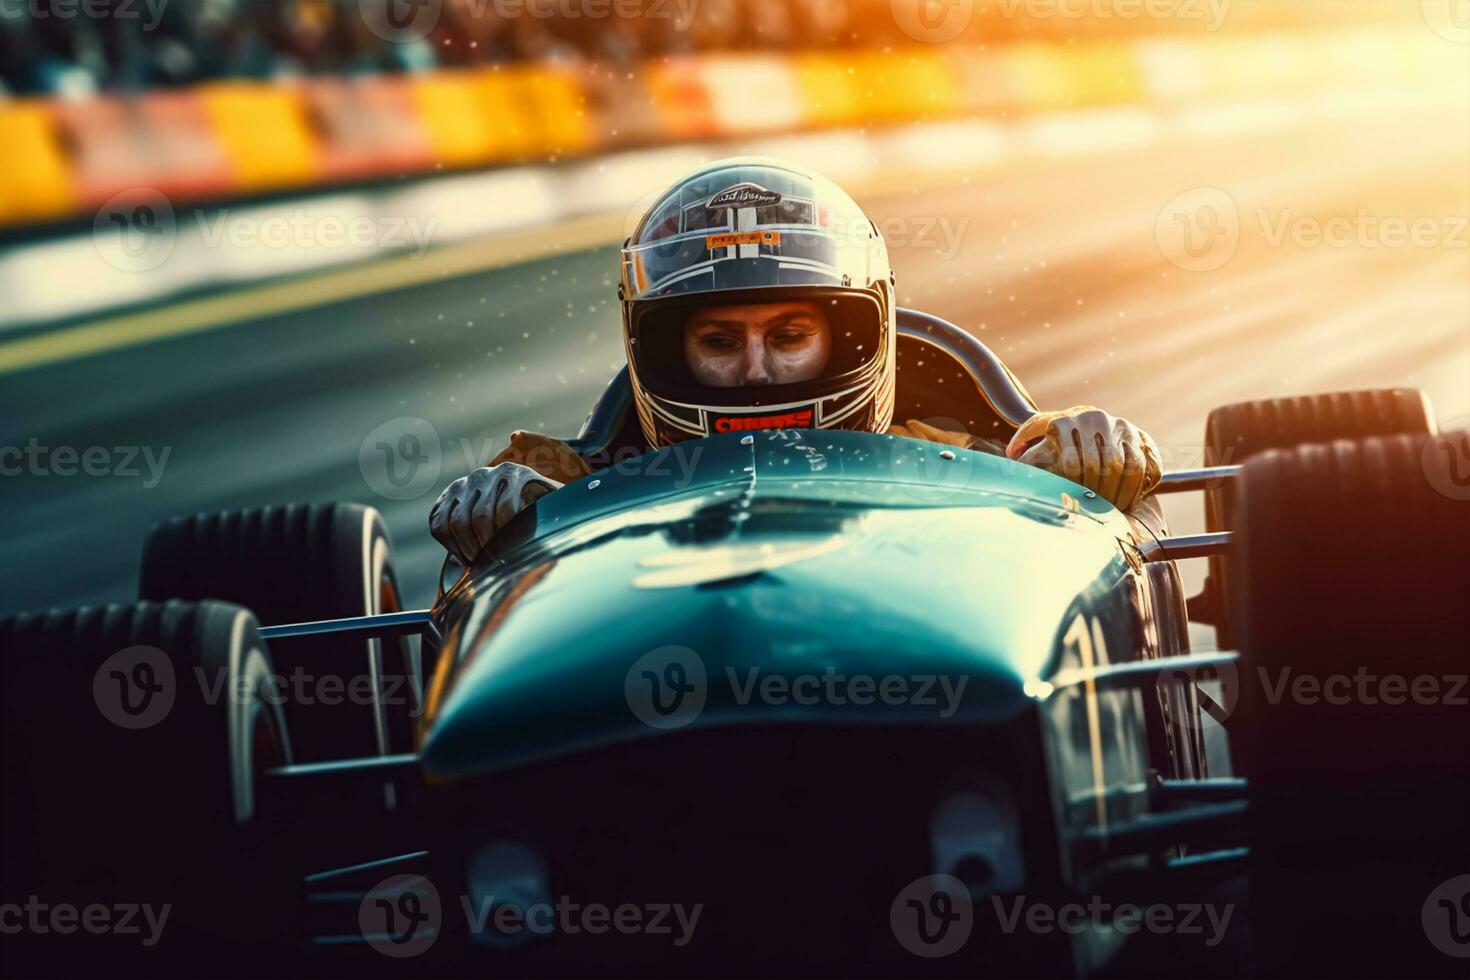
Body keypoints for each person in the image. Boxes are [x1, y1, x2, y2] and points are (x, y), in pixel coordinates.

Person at [431, 158, 1166, 565]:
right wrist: (499, 515)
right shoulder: (570, 481)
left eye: (788, 338)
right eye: (719, 343)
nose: (755, 373)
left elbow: (1113, 529)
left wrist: (1100, 469)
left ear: (849, 337)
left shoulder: (987, 460)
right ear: (663, 351)